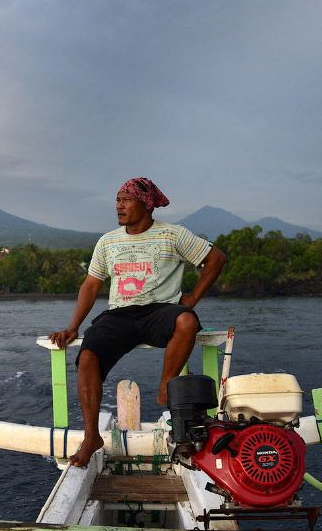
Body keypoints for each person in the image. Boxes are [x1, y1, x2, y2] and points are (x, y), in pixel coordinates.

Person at [49, 177, 226, 467]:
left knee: (187, 322)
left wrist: (192, 297)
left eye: (126, 199)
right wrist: (73, 327)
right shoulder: (108, 241)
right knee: (88, 356)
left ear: (145, 204)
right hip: (119, 314)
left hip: (160, 312)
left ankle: (166, 386)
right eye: (117, 200)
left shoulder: (173, 235)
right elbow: (91, 286)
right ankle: (91, 437)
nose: (119, 205)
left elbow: (216, 258)